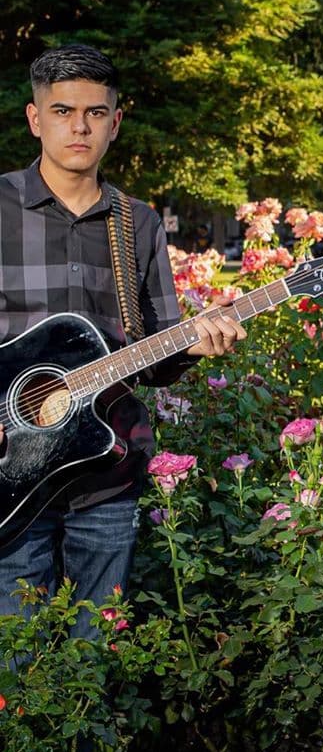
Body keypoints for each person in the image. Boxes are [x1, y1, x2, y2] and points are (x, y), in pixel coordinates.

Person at [0, 45, 245, 640]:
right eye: (62, 111)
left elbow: (156, 348)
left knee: (96, 655)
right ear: (36, 119)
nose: (79, 126)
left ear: (116, 121)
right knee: (15, 656)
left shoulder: (137, 223)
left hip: (108, 470)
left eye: (94, 112)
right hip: (10, 467)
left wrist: (194, 344)